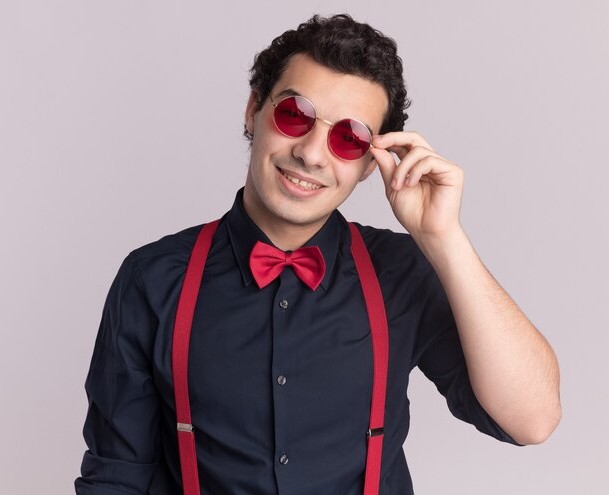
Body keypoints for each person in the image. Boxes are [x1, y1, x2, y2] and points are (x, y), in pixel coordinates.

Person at [75, 13, 561, 495]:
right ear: (253, 110)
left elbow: (532, 419)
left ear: (373, 164)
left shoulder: (401, 271)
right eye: (294, 115)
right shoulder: (153, 279)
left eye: (349, 139)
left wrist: (444, 238)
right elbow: (116, 477)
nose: (311, 153)